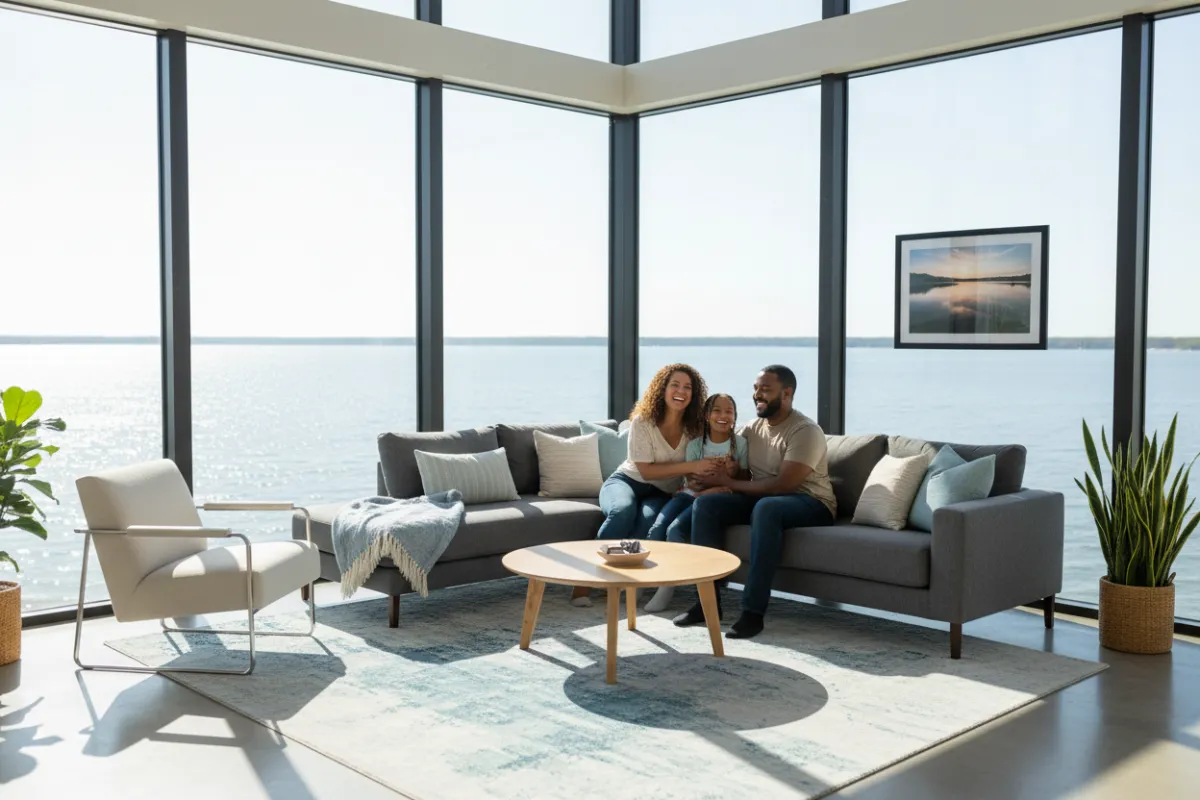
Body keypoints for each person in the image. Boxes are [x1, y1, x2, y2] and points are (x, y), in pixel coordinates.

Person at [671, 364, 836, 638]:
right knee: (706, 506)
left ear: (787, 394)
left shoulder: (805, 431)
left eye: (765, 390)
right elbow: (737, 465)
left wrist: (729, 482)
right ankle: (706, 603)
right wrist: (716, 475)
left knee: (767, 507)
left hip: (811, 502)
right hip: (763, 499)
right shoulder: (752, 429)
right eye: (756, 389)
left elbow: (784, 485)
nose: (757, 395)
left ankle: (752, 613)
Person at [570, 363, 720, 607]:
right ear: (662, 389)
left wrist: (702, 476)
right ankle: (583, 583)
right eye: (675, 385)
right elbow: (645, 470)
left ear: (694, 394)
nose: (681, 391)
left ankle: (621, 581)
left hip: (661, 492)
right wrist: (691, 466)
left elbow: (699, 463)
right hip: (626, 481)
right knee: (622, 511)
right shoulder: (643, 421)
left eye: (687, 387)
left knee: (647, 524)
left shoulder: (695, 429)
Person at [643, 393, 748, 612]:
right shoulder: (695, 445)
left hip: (712, 499)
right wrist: (708, 484)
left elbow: (744, 481)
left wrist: (733, 472)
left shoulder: (740, 445)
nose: (723, 416)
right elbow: (692, 482)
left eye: (729, 411)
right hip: (689, 494)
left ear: (735, 416)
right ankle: (647, 580)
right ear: (707, 415)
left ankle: (667, 587)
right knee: (657, 527)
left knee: (674, 530)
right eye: (716, 410)